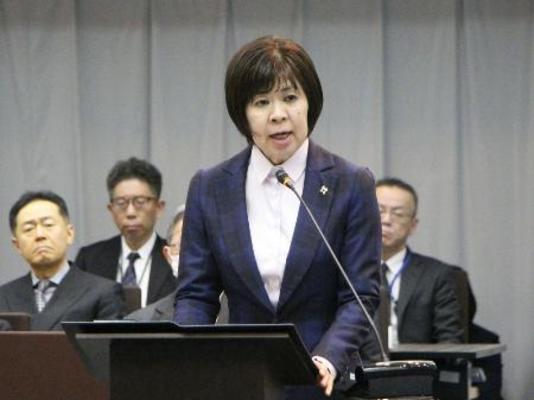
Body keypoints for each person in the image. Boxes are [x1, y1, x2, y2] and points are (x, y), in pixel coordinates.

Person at [173, 36, 381, 399]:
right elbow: (196, 294)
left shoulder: (350, 183)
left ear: (310, 102)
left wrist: (327, 359)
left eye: (290, 97)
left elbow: (360, 295)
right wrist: (192, 360)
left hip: (327, 383)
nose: (278, 114)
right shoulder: (210, 187)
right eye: (261, 102)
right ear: (242, 112)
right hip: (241, 381)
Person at [0, 191, 124, 330]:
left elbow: (108, 344)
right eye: (29, 229)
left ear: (69, 234)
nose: (39, 235)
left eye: (48, 225)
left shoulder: (103, 292)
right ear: (17, 245)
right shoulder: (3, 296)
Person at [75, 157, 176, 308]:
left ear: (159, 207)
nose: (130, 212)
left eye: (140, 202)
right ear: (111, 209)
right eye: (121, 203)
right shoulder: (89, 260)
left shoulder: (175, 258)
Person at [376, 177, 463, 346]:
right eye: (379, 211)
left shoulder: (437, 275)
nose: (386, 220)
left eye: (397, 214)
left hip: (417, 363)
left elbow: (449, 341)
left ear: (413, 225)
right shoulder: (344, 270)